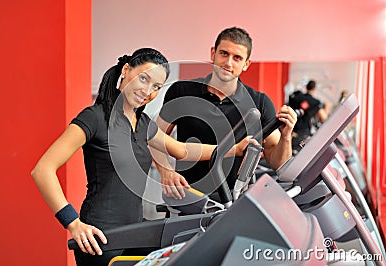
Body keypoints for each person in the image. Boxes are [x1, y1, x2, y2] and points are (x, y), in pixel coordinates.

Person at [31, 48, 252, 266]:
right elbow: (43, 170)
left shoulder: (143, 123)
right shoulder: (95, 118)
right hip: (102, 238)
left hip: (135, 231)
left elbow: (181, 150)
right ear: (126, 70)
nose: (148, 91)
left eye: (156, 87)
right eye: (144, 79)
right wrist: (73, 223)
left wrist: (235, 148)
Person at [152, 27, 297, 199]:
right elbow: (154, 138)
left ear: (246, 64)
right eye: (224, 53)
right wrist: (166, 171)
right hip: (187, 197)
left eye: (237, 58)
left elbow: (277, 163)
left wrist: (286, 136)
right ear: (213, 53)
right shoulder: (182, 91)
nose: (228, 63)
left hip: (235, 202)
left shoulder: (260, 103)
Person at [288, 79, 330, 151]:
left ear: (306, 87)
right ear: (314, 89)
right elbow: (324, 118)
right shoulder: (315, 102)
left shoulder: (297, 96)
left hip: (290, 128)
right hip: (303, 132)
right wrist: (327, 108)